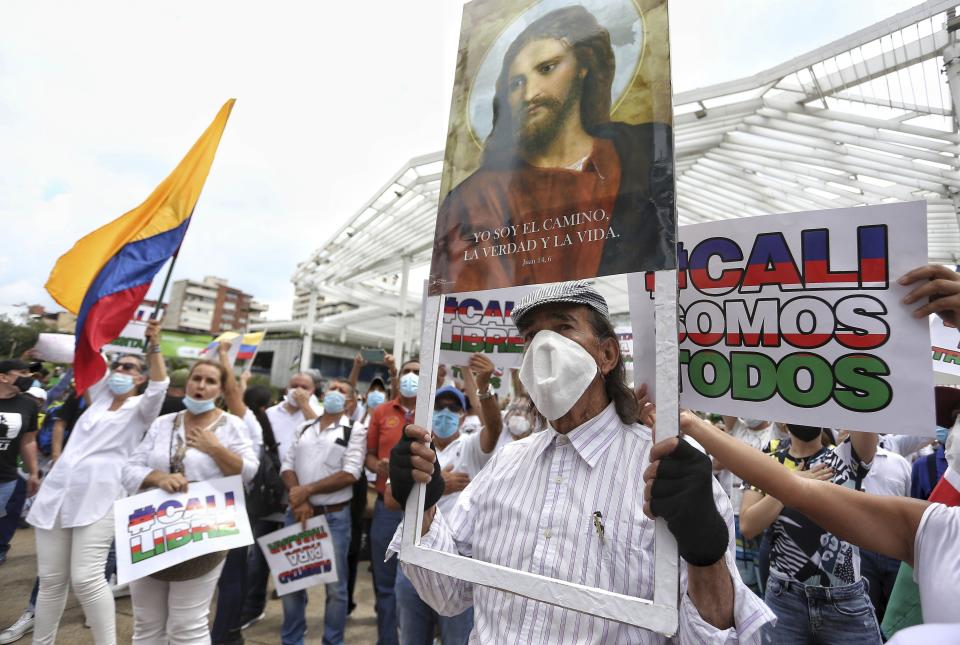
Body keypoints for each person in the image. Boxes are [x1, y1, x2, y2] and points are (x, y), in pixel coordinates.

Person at [388, 282, 773, 642]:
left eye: (563, 327)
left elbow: (714, 636)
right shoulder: (508, 462)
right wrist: (422, 506)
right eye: (531, 337)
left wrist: (704, 553)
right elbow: (449, 593)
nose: (543, 347)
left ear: (606, 355)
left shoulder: (663, 468)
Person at [429, 6, 674, 295]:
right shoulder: (473, 199)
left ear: (584, 66)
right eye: (517, 83)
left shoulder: (642, 150)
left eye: (547, 69)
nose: (530, 94)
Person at [27, 321, 168, 645]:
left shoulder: (141, 409)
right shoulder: (99, 398)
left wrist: (154, 345)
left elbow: (160, 386)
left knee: (87, 579)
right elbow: (87, 354)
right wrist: (87, 322)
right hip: (59, 493)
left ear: (141, 378)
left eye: (130, 367)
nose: (121, 370)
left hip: (100, 498)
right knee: (50, 580)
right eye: (118, 365)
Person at [121, 359, 257, 645]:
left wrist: (215, 448)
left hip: (205, 530)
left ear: (220, 390)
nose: (201, 386)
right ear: (188, 382)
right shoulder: (163, 423)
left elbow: (248, 471)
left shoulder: (232, 425)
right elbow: (130, 468)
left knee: (187, 625)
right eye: (197, 378)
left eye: (210, 381)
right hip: (152, 528)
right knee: (146, 623)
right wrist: (157, 477)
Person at [390, 355, 501, 645]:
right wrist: (440, 486)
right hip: (414, 560)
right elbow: (391, 499)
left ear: (463, 417)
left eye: (453, 408)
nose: (445, 412)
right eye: (439, 406)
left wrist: (484, 387)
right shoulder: (415, 448)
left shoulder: (470, 447)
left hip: (457, 567)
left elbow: (494, 429)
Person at [738, 423, 880, 643]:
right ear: (783, 423)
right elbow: (749, 525)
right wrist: (793, 483)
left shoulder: (841, 458)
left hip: (843, 600)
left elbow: (866, 416)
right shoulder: (768, 458)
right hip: (784, 598)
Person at [279, 379, 367, 645]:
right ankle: (292, 639)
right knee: (292, 583)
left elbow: (351, 472)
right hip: (298, 514)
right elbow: (287, 465)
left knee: (336, 589)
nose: (335, 393)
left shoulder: (355, 430)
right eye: (332, 389)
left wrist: (306, 491)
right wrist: (300, 498)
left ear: (350, 402)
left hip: (333, 517)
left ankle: (332, 640)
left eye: (342, 391)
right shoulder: (304, 426)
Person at [239, 372, 321, 629]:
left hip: (300, 498)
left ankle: (296, 618)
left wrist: (306, 405)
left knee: (296, 560)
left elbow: (320, 435)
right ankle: (253, 608)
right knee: (257, 559)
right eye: (293, 385)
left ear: (313, 390)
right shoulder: (271, 414)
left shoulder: (317, 412)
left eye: (304, 387)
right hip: (269, 495)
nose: (297, 390)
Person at [211, 345, 265, 645]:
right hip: (223, 504)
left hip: (231, 506)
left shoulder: (246, 423)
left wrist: (223, 358)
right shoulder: (241, 422)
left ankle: (224, 634)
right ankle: (228, 631)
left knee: (230, 575)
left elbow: (232, 394)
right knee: (232, 574)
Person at [365, 357, 420, 645]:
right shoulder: (382, 411)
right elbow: (369, 454)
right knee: (385, 584)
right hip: (387, 508)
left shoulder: (434, 410)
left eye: (418, 372)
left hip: (423, 511)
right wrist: (379, 467)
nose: (412, 376)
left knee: (416, 586)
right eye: (407, 372)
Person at [860, 440, 912, 623]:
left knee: (898, 613)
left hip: (896, 549)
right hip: (861, 550)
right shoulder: (836, 462)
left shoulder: (898, 462)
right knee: (865, 614)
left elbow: (909, 501)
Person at [0, 359, 40, 518]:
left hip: (4, 479)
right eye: (23, 373)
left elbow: (28, 441)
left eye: (29, 373)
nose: (29, 377)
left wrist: (33, 473)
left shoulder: (29, 405)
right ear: (3, 378)